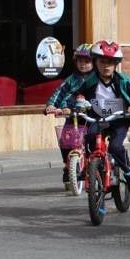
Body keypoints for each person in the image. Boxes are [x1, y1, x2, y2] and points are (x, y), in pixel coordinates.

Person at [57, 40, 130, 193]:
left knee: (115, 147)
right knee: (90, 138)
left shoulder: (123, 80)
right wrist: (67, 106)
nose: (106, 66)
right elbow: (73, 94)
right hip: (98, 118)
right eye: (102, 62)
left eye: (110, 62)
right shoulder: (90, 80)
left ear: (116, 64)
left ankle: (128, 172)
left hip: (118, 119)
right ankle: (94, 172)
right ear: (95, 62)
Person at [45, 42, 95, 184]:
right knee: (66, 139)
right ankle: (68, 166)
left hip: (90, 117)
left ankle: (95, 166)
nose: (83, 64)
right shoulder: (71, 79)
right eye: (80, 61)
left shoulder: (97, 79)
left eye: (87, 61)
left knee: (93, 139)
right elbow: (59, 92)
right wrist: (51, 105)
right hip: (72, 115)